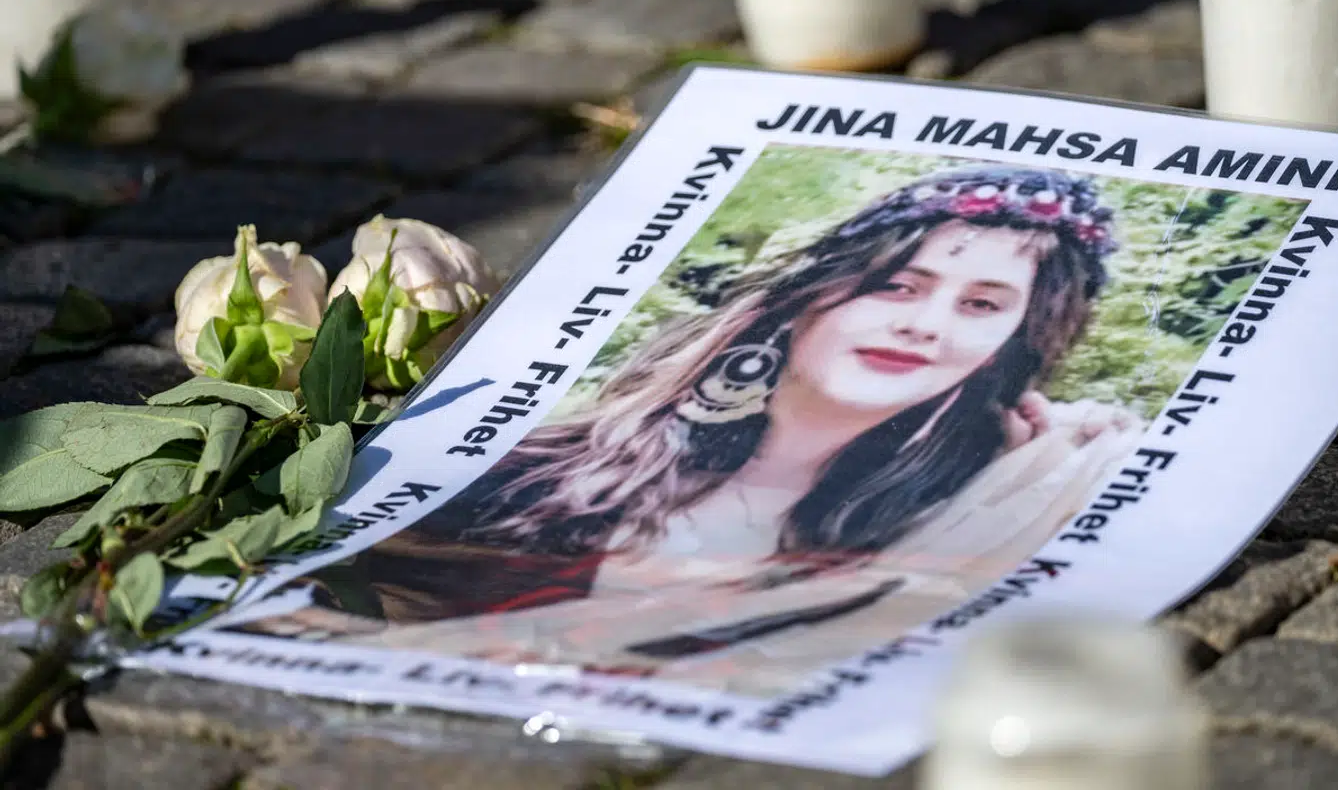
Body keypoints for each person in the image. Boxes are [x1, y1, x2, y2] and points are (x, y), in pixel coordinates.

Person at [248, 165, 1144, 682]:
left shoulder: (1002, 496)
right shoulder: (537, 469)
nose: (926, 325)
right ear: (810, 297)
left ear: (1009, 347)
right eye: (896, 284)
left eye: (983, 304)